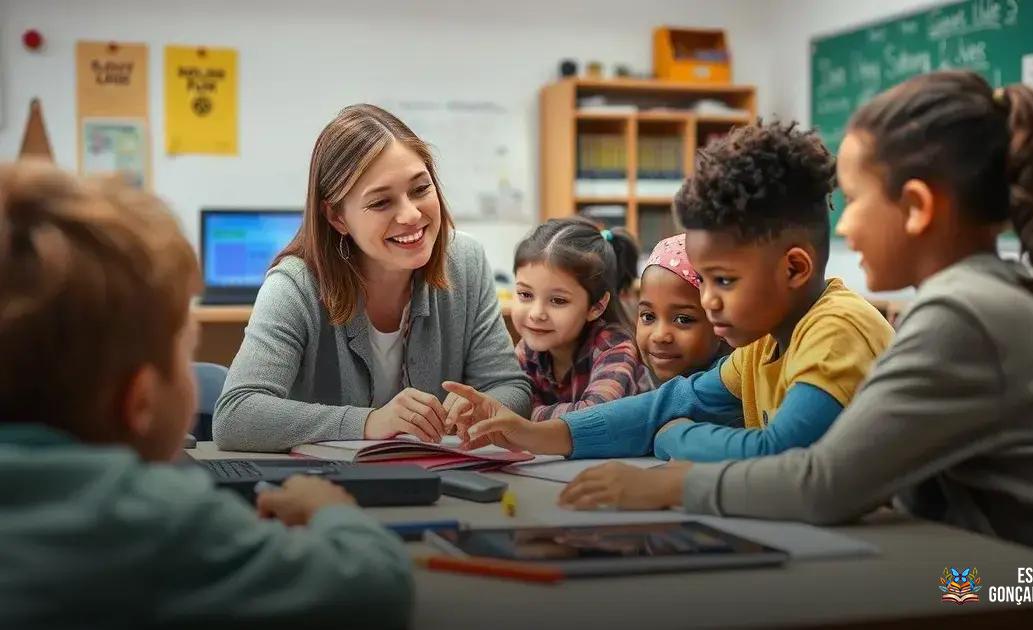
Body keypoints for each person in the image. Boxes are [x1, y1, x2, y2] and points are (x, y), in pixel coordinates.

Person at [562, 71, 1033, 564]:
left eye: (857, 199)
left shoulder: (963, 311)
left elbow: (821, 482)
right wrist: (558, 432)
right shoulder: (977, 293)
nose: (843, 229)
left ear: (917, 207)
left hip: (1020, 586)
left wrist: (669, 484)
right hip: (972, 565)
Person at [0, 161, 413, 627]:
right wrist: (333, 512)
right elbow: (375, 588)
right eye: (184, 348)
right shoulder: (157, 522)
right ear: (139, 401)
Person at [446, 121, 893, 464]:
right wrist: (534, 434)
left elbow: (780, 453)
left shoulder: (836, 328)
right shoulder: (762, 347)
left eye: (724, 280)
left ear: (794, 268)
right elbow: (669, 402)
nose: (709, 299)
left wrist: (675, 437)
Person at [213, 104, 530, 452]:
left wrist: (483, 406)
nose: (411, 214)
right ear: (337, 218)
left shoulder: (466, 262)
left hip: (437, 485)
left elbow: (511, 389)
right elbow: (234, 416)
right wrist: (368, 422)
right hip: (324, 491)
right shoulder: (295, 285)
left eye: (421, 189)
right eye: (381, 203)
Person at [508, 217, 649, 422]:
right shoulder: (527, 350)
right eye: (525, 295)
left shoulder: (614, 346)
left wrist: (525, 416)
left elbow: (593, 416)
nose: (536, 313)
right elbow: (516, 404)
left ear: (596, 306)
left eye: (558, 300)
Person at [636, 233, 729, 385]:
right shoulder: (641, 380)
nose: (659, 336)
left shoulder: (730, 391)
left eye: (683, 319)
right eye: (648, 317)